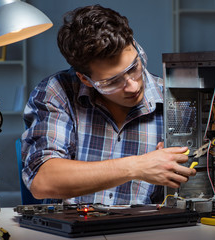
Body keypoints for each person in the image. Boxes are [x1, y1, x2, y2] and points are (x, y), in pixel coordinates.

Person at [21, 4, 196, 205]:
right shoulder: (58, 91)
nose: (132, 86)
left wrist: (178, 165)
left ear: (136, 46)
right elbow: (44, 181)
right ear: (85, 80)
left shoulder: (176, 100)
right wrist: (138, 167)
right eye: (112, 81)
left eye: (134, 67)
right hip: (75, 231)